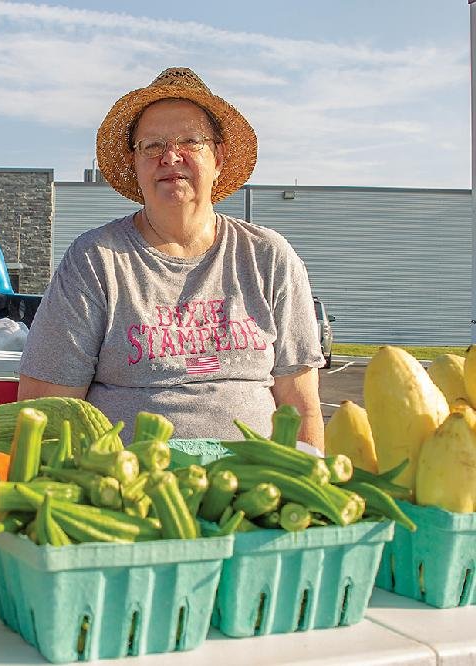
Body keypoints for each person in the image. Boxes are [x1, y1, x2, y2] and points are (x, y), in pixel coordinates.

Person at [18, 67, 325, 447]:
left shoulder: (268, 256)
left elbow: (301, 405)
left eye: (191, 141)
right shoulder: (96, 260)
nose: (170, 156)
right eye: (152, 146)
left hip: (255, 492)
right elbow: (48, 410)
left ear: (219, 157)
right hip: (128, 489)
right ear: (135, 163)